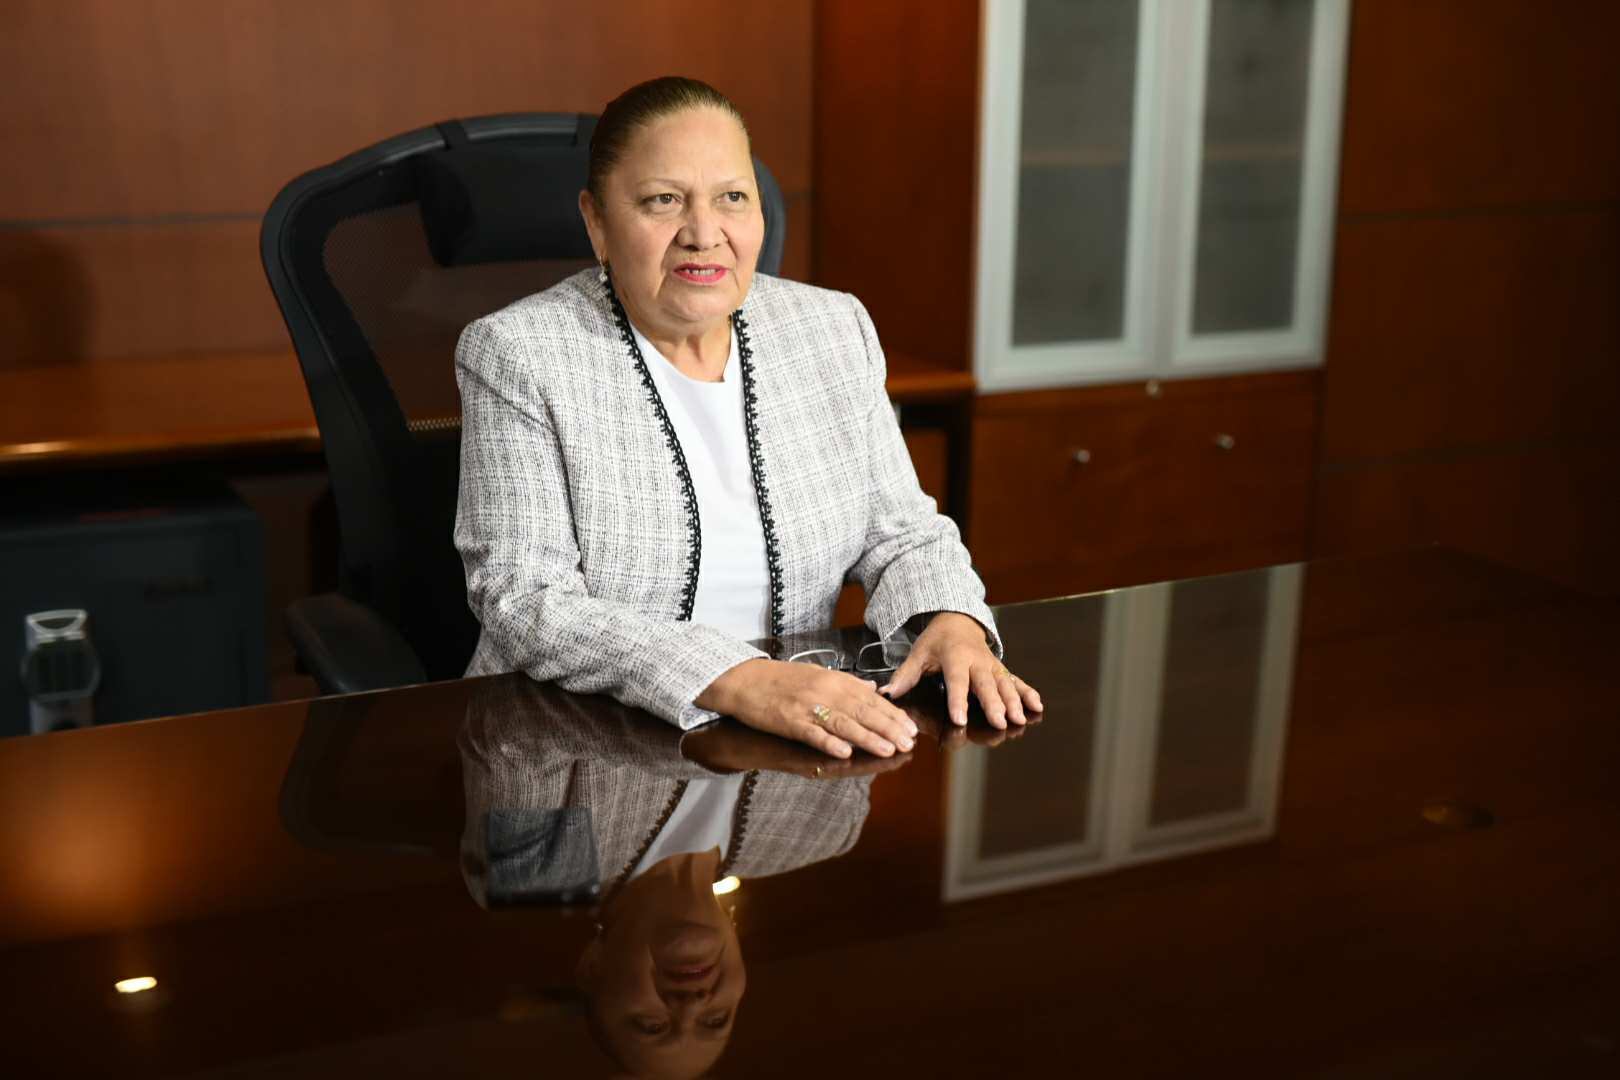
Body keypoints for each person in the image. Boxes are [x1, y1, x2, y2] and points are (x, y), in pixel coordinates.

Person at [455, 76, 1043, 760]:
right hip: (574, 752)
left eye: (732, 197)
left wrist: (950, 619)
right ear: (597, 222)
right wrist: (739, 680)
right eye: (663, 200)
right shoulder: (519, 353)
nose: (704, 234)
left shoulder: (831, 329)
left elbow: (903, 534)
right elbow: (524, 600)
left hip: (795, 750)